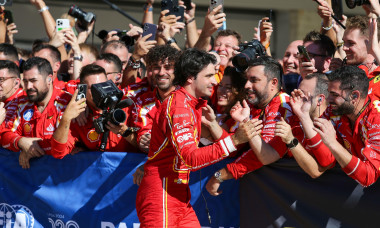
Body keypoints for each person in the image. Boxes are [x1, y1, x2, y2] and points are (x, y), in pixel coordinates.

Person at [135, 48, 260, 227]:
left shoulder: (192, 105)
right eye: (209, 76)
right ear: (190, 77)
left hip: (178, 195)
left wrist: (235, 126)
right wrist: (235, 140)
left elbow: (219, 147)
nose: (214, 81)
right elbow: (191, 158)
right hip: (162, 195)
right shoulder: (179, 107)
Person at [206, 56, 294, 193]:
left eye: (254, 80)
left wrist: (220, 175)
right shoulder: (254, 106)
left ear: (273, 82)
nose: (247, 85)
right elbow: (233, 148)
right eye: (247, 80)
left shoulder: (283, 105)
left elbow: (266, 156)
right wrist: (211, 124)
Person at [49, 64, 138, 159]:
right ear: (82, 89)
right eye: (92, 88)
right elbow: (58, 153)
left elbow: (147, 147)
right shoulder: (79, 115)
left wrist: (125, 132)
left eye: (102, 85)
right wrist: (66, 118)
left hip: (128, 171)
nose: (99, 91)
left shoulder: (128, 104)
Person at [0, 57, 72, 169]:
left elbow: (60, 149)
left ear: (49, 79)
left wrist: (31, 148)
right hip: (29, 181)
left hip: (64, 180)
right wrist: (21, 142)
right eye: (25, 81)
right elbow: (4, 135)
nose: (28, 87)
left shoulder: (67, 103)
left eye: (33, 81)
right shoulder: (22, 102)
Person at [314, 66, 380, 187]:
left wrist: (333, 144)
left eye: (334, 94)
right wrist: (303, 115)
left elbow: (368, 177)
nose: (328, 99)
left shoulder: (377, 118)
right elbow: (325, 160)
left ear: (354, 96)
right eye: (329, 93)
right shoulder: (335, 110)